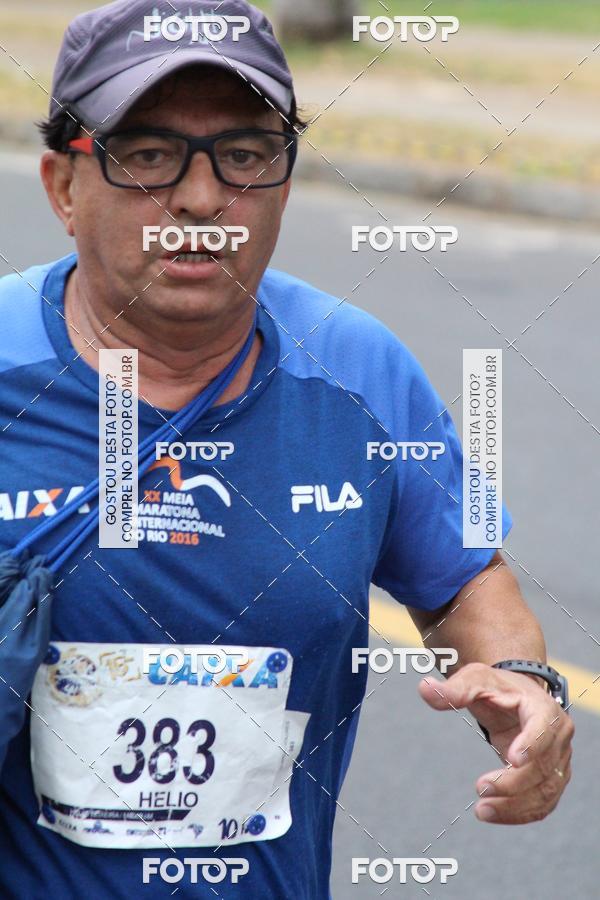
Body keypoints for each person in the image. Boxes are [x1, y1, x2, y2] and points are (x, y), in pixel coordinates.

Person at [0, 0, 573, 897]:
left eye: (244, 155)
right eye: (147, 155)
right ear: (64, 187)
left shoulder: (358, 370)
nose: (199, 197)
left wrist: (525, 684)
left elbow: (462, 575)